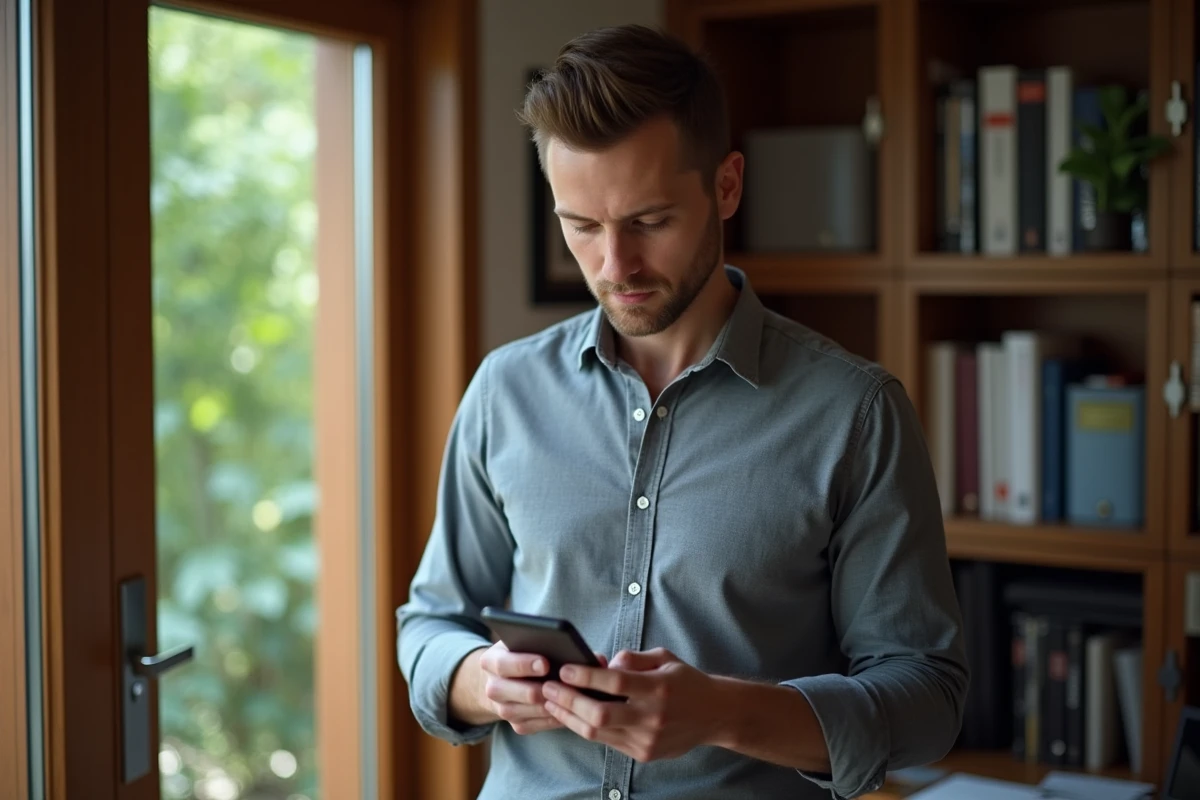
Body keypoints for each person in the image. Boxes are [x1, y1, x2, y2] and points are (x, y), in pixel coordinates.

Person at [396, 23, 968, 800]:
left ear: (726, 187)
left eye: (649, 221)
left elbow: (929, 698)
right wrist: (480, 678)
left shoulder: (856, 414)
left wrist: (725, 714)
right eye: (581, 227)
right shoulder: (504, 391)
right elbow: (431, 622)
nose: (614, 265)